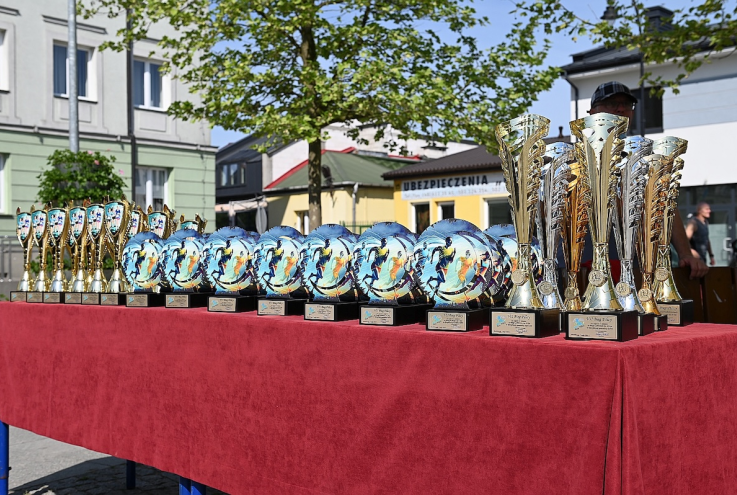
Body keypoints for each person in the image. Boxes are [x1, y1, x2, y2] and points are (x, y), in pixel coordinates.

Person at [586, 81, 709, 279]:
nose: (620, 109)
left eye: (627, 104)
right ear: (592, 112)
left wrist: (686, 253)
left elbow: (666, 206)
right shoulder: (577, 157)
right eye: (611, 103)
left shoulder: (649, 156)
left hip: (642, 268)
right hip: (587, 268)